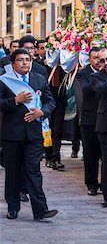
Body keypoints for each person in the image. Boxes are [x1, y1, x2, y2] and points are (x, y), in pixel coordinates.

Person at [0, 48, 57, 220]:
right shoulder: (4, 81)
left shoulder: (39, 79)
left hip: (34, 134)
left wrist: (42, 112)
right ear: (13, 64)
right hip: (12, 134)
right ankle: (13, 206)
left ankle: (41, 210)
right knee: (13, 171)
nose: (25, 62)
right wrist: (15, 101)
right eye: (21, 60)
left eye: (28, 59)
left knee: (34, 170)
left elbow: (50, 101)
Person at [90, 48, 107, 207]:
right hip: (105, 123)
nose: (106, 63)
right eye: (102, 60)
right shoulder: (95, 76)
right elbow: (101, 90)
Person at [76, 47, 102, 196]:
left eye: (101, 58)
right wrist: (98, 77)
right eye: (95, 58)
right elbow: (86, 90)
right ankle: (91, 184)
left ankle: (106, 183)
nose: (99, 61)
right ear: (89, 59)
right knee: (90, 153)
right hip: (90, 118)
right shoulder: (83, 73)